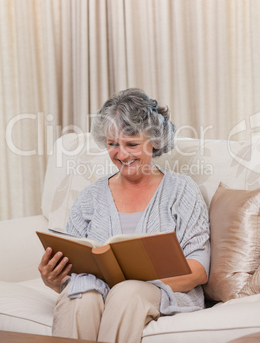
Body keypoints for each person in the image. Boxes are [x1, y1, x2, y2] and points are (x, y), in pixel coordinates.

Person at [38, 88, 210, 343]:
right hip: (99, 290)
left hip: (161, 294)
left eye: (132, 144)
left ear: (154, 141)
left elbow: (198, 270)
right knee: (80, 294)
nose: (121, 155)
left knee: (126, 291)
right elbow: (74, 267)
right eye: (112, 144)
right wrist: (53, 278)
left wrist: (127, 279)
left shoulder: (182, 190)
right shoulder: (90, 196)